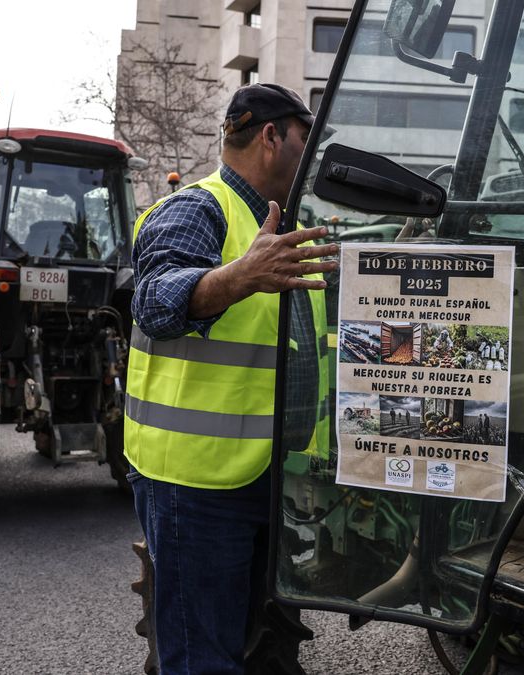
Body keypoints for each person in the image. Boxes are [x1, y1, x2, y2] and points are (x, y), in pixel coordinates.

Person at [124, 83, 338, 674]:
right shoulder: (199, 208)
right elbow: (154, 301)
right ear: (271, 136)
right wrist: (239, 276)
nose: (310, 155)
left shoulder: (273, 225)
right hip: (195, 481)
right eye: (305, 138)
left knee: (246, 639)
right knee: (201, 657)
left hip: (262, 470)